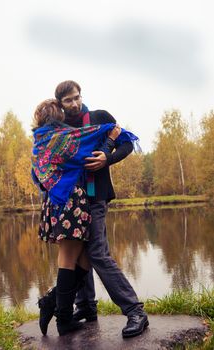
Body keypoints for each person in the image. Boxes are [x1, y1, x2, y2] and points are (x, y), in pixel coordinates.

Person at [38, 80, 149, 339]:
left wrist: (106, 158)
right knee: (79, 253)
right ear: (60, 103)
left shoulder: (99, 118)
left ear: (81, 96)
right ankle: (86, 306)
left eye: (77, 97)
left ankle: (135, 311)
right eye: (68, 100)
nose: (74, 103)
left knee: (97, 251)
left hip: (95, 197)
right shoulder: (60, 129)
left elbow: (126, 143)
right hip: (70, 201)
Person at [32, 99, 123, 336]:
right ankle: (63, 320)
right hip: (68, 201)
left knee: (84, 258)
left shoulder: (40, 141)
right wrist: (111, 137)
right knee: (69, 257)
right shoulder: (65, 138)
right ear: (57, 117)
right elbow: (90, 140)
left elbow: (37, 175)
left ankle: (52, 302)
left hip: (57, 201)